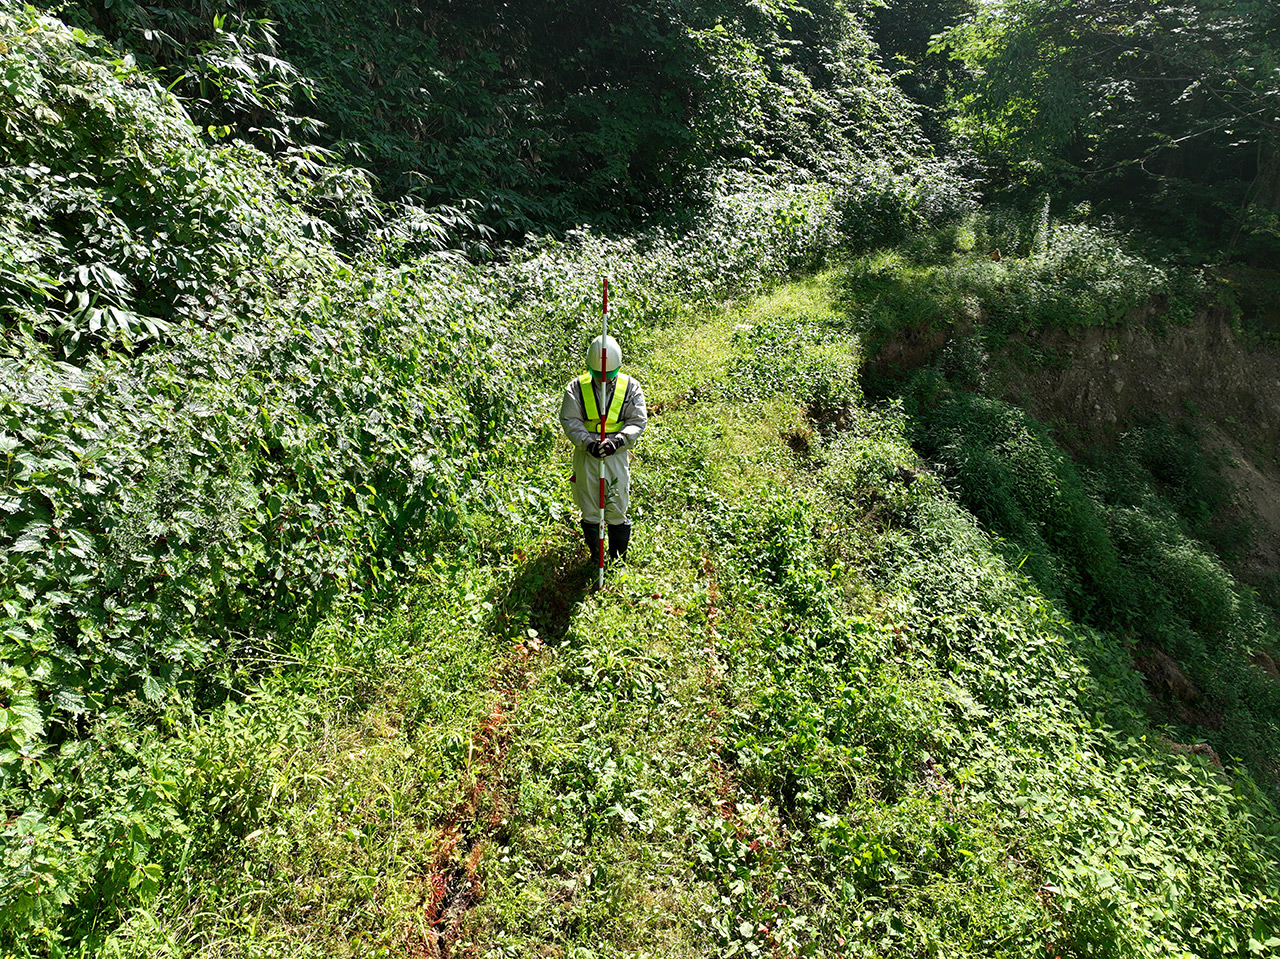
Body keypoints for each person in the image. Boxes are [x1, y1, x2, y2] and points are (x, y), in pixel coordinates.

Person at [559, 334, 648, 562]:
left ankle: (617, 560)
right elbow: (570, 420)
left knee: (616, 504)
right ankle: (596, 558)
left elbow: (637, 420)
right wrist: (588, 443)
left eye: (609, 375)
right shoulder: (576, 388)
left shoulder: (631, 387)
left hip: (616, 453)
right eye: (599, 375)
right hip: (586, 454)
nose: (604, 379)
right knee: (590, 506)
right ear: (590, 367)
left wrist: (618, 441)